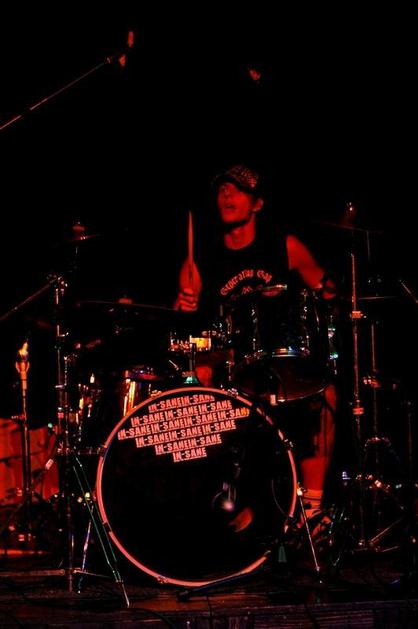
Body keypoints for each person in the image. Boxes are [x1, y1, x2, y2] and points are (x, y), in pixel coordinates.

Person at [174, 163, 338, 530]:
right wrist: (184, 304)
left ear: (257, 203)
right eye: (222, 189)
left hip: (279, 356)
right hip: (228, 359)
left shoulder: (283, 246)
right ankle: (220, 498)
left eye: (237, 189)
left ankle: (313, 510)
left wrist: (330, 295)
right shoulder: (202, 257)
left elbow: (327, 291)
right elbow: (182, 323)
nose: (226, 194)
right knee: (196, 375)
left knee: (325, 394)